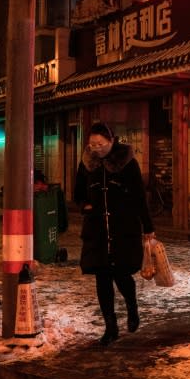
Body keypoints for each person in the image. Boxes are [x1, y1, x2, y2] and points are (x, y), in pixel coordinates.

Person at [74, 122, 155, 346]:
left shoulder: (127, 164)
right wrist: (85, 206)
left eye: (100, 144)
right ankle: (110, 327)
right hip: (97, 230)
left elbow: (140, 197)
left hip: (123, 229)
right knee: (102, 277)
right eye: (92, 145)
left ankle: (132, 306)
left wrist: (148, 227)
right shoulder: (86, 164)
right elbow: (77, 193)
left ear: (111, 141)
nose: (96, 148)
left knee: (122, 276)